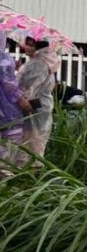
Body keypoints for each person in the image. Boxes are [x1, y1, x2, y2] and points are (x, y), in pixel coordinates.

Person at [15, 38, 56, 168]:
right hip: (40, 108)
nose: (25, 47)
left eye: (30, 45)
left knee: (30, 143)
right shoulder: (43, 62)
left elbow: (29, 89)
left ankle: (28, 177)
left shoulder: (37, 64)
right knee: (35, 143)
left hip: (32, 108)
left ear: (38, 47)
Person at [0, 36, 33, 170]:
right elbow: (8, 84)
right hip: (6, 110)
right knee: (10, 142)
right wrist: (20, 99)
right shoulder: (3, 58)